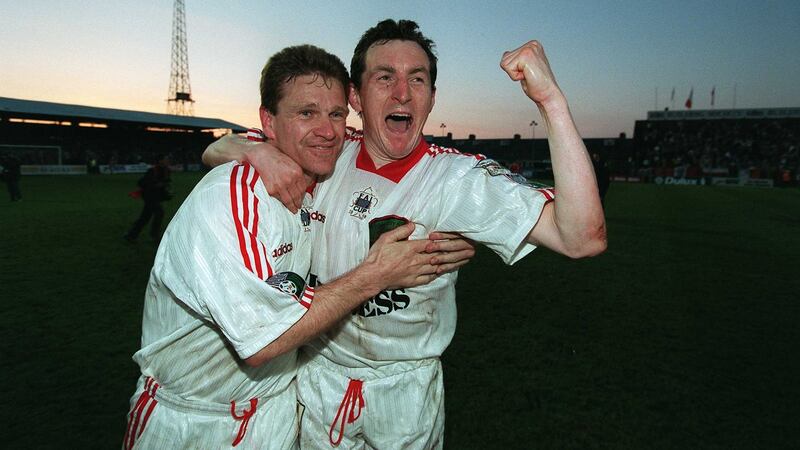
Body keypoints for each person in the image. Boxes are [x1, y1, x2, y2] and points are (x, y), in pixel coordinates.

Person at [204, 19, 606, 449]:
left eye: (418, 78)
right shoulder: (326, 148)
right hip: (318, 379)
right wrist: (259, 153)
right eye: (384, 77)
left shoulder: (454, 177)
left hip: (404, 396)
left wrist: (550, 101)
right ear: (356, 96)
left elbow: (582, 237)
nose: (402, 92)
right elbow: (215, 148)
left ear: (431, 97)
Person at [123, 44, 456, 450]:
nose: (328, 130)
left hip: (279, 413)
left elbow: (217, 147)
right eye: (306, 113)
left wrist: (442, 235)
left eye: (336, 114)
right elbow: (263, 341)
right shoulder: (228, 199)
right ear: (269, 121)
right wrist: (376, 274)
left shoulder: (317, 180)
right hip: (191, 422)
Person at [124, 154, 172, 242]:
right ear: (160, 161)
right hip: (149, 197)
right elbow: (141, 183)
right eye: (166, 159)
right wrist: (155, 185)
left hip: (156, 197)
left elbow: (165, 183)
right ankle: (155, 235)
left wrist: (166, 192)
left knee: (145, 217)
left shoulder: (167, 171)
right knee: (159, 212)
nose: (168, 161)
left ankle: (131, 235)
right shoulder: (152, 171)